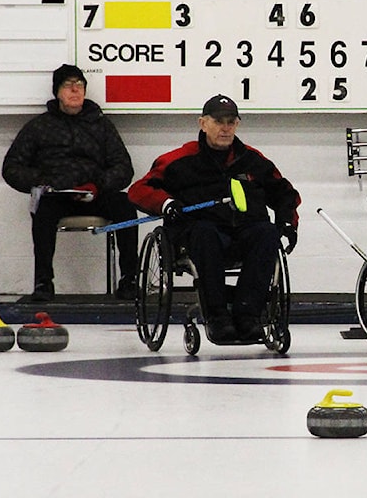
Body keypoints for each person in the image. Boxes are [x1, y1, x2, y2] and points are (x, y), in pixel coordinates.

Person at [128, 94, 301, 342]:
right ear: (203, 123)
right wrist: (166, 203)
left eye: (231, 121)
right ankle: (217, 317)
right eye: (219, 121)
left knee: (267, 233)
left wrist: (287, 223)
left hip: (245, 232)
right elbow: (139, 191)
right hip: (199, 235)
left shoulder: (253, 160)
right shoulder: (179, 160)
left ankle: (248, 316)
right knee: (205, 233)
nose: (225, 128)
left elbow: (285, 194)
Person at [2, 64, 139, 303]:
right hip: (56, 196)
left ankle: (130, 279)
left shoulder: (101, 125)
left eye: (80, 85)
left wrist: (99, 185)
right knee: (42, 209)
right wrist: (45, 182)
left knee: (125, 205)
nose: (75, 90)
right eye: (68, 85)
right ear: (57, 92)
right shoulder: (39, 127)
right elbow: (11, 168)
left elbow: (124, 168)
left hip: (95, 193)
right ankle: (43, 282)